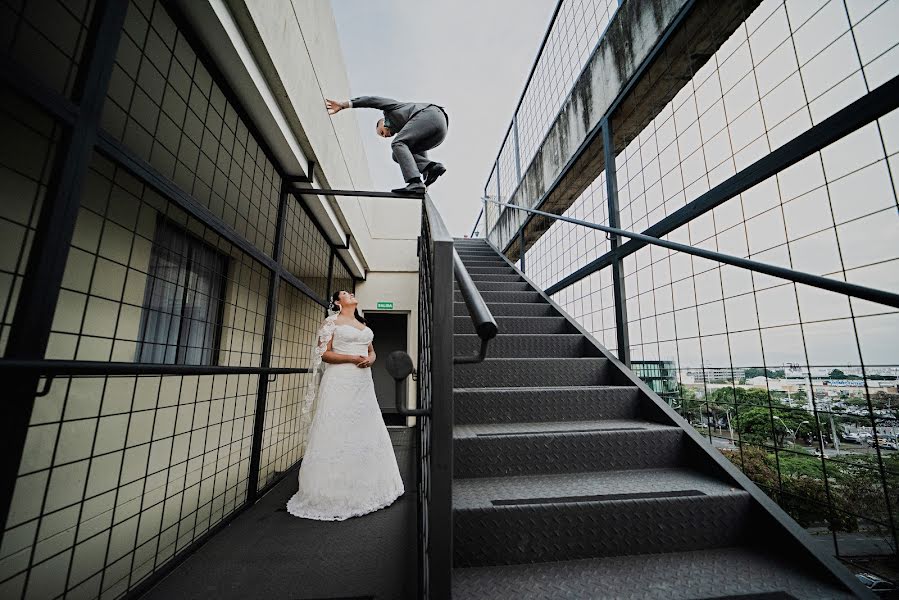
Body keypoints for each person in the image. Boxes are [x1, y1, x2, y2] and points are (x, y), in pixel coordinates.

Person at [286, 290, 404, 520]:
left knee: (364, 427)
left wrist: (370, 359)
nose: (350, 294)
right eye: (345, 294)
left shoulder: (362, 323)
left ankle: (370, 486)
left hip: (362, 382)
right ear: (338, 302)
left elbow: (371, 351)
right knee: (337, 428)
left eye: (350, 293)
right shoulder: (331, 322)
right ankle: (332, 493)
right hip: (340, 379)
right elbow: (325, 354)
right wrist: (351, 358)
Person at [326, 96, 448, 196]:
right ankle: (429, 170)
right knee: (397, 153)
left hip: (429, 114)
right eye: (383, 136)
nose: (385, 136)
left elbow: (372, 101)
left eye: (382, 132)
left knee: (397, 144)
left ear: (383, 122)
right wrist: (427, 171)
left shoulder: (391, 109)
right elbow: (420, 152)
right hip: (439, 131)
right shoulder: (409, 130)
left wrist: (344, 105)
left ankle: (414, 182)